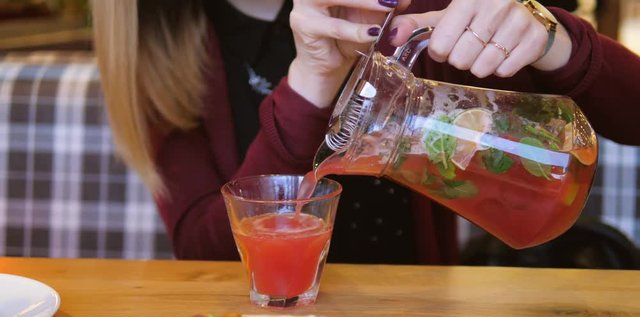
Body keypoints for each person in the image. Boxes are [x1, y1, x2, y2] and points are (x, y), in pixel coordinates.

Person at [91, 0, 640, 264]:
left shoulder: (394, 8)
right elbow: (203, 252)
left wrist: (551, 37)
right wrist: (310, 85)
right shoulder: (157, 47)